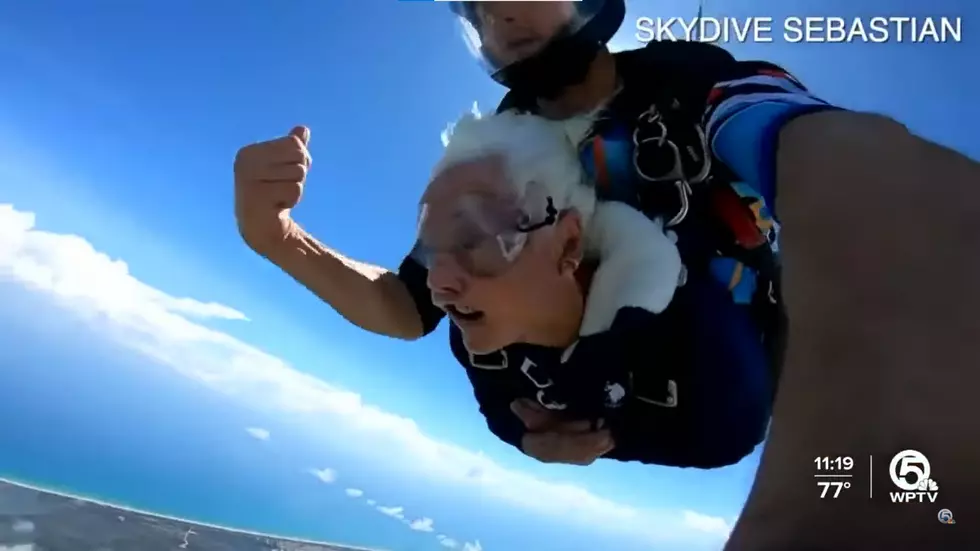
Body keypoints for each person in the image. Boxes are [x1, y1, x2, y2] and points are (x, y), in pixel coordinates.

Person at [235, 1, 980, 546]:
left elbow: (828, 152)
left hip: (721, 367)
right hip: (587, 397)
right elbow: (407, 304)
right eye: (474, 8)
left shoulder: (696, 85)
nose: (496, 12)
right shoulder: (499, 145)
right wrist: (277, 236)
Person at [415, 109, 771, 468]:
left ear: (569, 243)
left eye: (476, 238)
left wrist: (599, 435)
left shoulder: (705, 341)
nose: (437, 283)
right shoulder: (479, 331)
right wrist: (533, 442)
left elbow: (729, 436)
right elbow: (498, 410)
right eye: (431, 249)